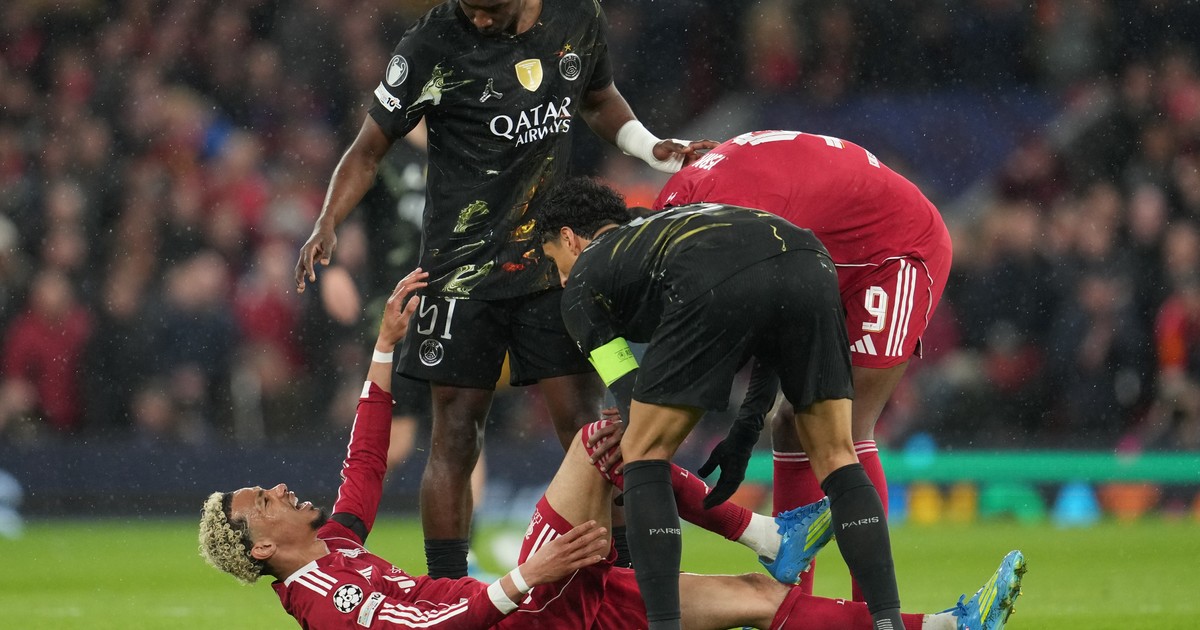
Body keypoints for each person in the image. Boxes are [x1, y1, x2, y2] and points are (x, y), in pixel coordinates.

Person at [199, 269, 1027, 630]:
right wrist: (529, 576)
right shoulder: (322, 602)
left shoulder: (334, 543)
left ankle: (949, 624)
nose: (277, 490)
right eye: (261, 503)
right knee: (604, 438)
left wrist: (385, 347)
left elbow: (366, 464)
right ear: (261, 547)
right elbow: (432, 625)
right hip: (527, 613)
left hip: (547, 604)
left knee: (756, 601)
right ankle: (767, 534)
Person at [292, 0, 712, 579]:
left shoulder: (575, 16)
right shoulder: (431, 45)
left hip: (551, 265)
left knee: (589, 428)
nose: (479, 20)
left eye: (489, 10)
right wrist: (327, 221)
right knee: (455, 435)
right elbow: (368, 148)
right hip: (458, 275)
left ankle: (622, 579)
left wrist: (647, 145)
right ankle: (448, 589)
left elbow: (596, 97)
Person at [536, 178, 906, 630]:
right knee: (838, 456)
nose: (560, 278)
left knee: (642, 453)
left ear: (570, 238)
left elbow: (629, 393)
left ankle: (664, 626)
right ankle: (888, 621)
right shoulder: (663, 225)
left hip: (715, 269)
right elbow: (769, 313)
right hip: (807, 258)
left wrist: (634, 451)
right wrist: (747, 427)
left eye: (554, 261)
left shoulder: (583, 282)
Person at [651, 129, 955, 599]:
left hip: (894, 250)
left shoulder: (726, 228)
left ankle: (870, 613)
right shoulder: (686, 210)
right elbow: (777, 312)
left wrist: (740, 423)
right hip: (827, 255)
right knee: (792, 423)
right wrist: (749, 422)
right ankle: (792, 604)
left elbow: (770, 303)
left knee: (842, 429)